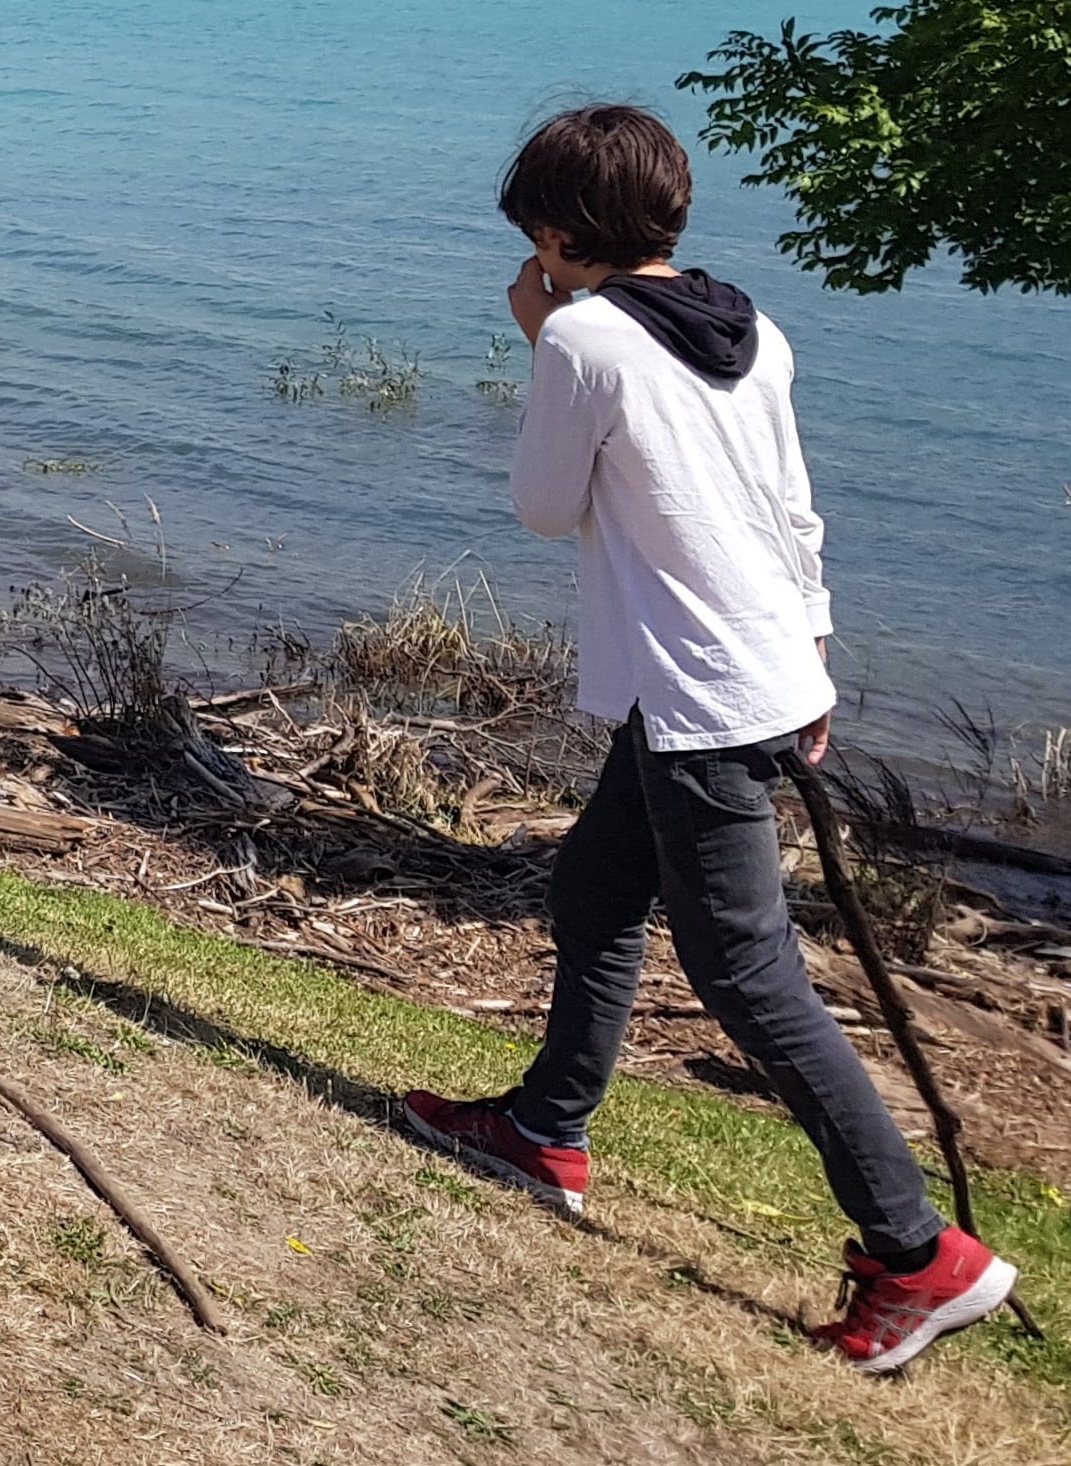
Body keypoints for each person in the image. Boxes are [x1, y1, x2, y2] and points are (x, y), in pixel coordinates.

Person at [398, 104, 1015, 1375]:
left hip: (702, 697)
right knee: (596, 886)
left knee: (745, 974)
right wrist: (816, 648)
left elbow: (537, 507)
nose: (532, 262)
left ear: (558, 234)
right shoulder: (754, 327)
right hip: (757, 669)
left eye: (536, 242)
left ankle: (915, 1253)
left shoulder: (579, 335)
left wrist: (537, 337)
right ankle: (544, 1129)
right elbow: (791, 507)